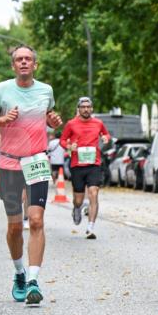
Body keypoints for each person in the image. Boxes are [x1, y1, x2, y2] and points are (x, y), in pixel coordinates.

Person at [0, 45, 62, 304]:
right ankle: (19, 273)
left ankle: (34, 281)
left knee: (36, 221)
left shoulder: (46, 90)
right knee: (15, 226)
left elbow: (47, 116)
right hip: (9, 163)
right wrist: (3, 120)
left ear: (35, 65)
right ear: (13, 66)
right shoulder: (1, 90)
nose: (24, 62)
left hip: (37, 160)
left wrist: (53, 121)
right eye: (19, 59)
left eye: (28, 59)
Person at [60, 96, 111, 239]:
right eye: (83, 107)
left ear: (92, 108)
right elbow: (62, 140)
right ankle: (76, 208)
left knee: (94, 193)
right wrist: (70, 146)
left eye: (88, 107)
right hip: (77, 165)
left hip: (94, 164)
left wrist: (106, 138)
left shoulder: (98, 123)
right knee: (79, 199)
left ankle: (90, 228)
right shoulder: (71, 124)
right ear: (79, 109)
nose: (86, 109)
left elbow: (106, 134)